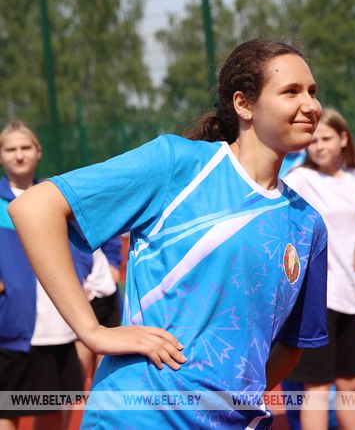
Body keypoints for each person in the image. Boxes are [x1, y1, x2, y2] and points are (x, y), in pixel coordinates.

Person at [8, 39, 329, 428]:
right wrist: (92, 331)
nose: (311, 105)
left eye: (312, 91)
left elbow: (293, 345)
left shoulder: (307, 224)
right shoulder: (179, 165)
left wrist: (229, 403)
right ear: (243, 104)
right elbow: (34, 208)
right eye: (291, 91)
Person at [283, 108, 355, 427]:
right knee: (317, 387)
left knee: (349, 383)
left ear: (343, 139)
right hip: (318, 298)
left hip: (350, 292)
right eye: (313, 140)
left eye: (326, 139)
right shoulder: (299, 179)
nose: (318, 146)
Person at [0, 121, 91, 430]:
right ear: (1, 155)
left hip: (57, 323)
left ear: (38, 151)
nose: (19, 155)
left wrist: (80, 275)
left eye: (25, 147)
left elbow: (84, 243)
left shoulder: (54, 197)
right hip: (13, 328)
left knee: (54, 404)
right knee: (6, 408)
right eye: (11, 149)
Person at [76, 234, 124, 387]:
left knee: (107, 344)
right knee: (81, 343)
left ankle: (99, 394)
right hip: (80, 293)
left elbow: (111, 235)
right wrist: (77, 281)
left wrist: (113, 263)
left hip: (105, 290)